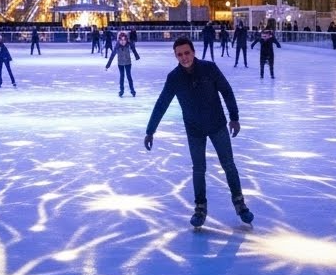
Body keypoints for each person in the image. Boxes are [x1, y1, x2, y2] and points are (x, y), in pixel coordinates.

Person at [144, 37, 252, 228]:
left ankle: (240, 203)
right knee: (198, 169)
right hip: (194, 130)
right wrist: (150, 130)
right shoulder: (174, 78)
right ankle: (200, 208)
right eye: (179, 54)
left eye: (187, 53)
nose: (184, 57)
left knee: (228, 165)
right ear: (175, 56)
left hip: (217, 124)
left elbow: (226, 91)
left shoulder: (209, 68)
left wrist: (234, 117)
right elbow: (162, 104)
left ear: (193, 51)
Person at [104, 30, 141, 97]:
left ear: (126, 40)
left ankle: (132, 90)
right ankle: (121, 91)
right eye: (121, 40)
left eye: (124, 40)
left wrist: (137, 56)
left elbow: (133, 49)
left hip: (128, 63)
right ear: (119, 40)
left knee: (129, 76)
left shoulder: (128, 44)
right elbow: (112, 56)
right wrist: (108, 65)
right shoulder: (117, 46)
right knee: (122, 77)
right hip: (120, 64)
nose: (123, 41)